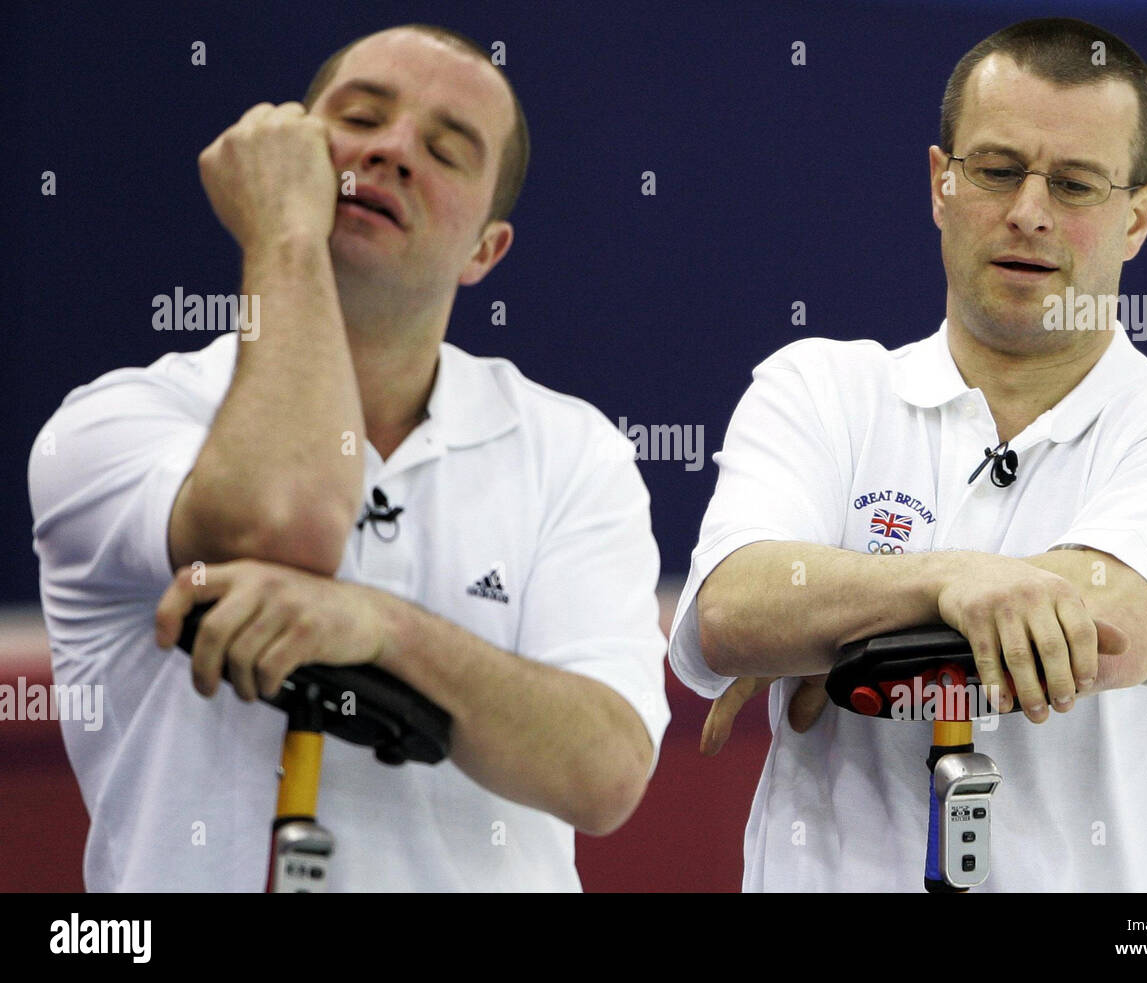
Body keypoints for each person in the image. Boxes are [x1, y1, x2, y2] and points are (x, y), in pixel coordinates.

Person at [29, 24, 669, 892]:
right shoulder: (117, 422)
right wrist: (283, 236)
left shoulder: (572, 450)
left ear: (486, 250)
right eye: (360, 118)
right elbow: (284, 519)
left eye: (446, 151)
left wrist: (384, 628)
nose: (393, 149)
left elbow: (604, 772)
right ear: (285, 150)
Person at [668, 17, 1147, 892]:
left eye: (1074, 185)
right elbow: (730, 610)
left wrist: (838, 637)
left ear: (1138, 217)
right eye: (997, 171)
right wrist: (947, 581)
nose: (1029, 212)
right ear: (940, 184)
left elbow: (1097, 636)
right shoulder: (820, 388)